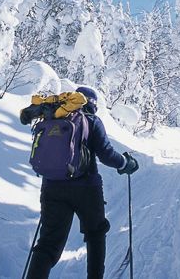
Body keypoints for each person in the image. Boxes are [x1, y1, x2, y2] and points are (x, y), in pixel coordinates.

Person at [25, 86, 139, 279]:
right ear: (93, 105)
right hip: (87, 189)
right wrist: (125, 163)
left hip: (52, 187)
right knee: (95, 234)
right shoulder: (92, 121)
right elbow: (106, 154)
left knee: (48, 242)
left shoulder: (54, 118)